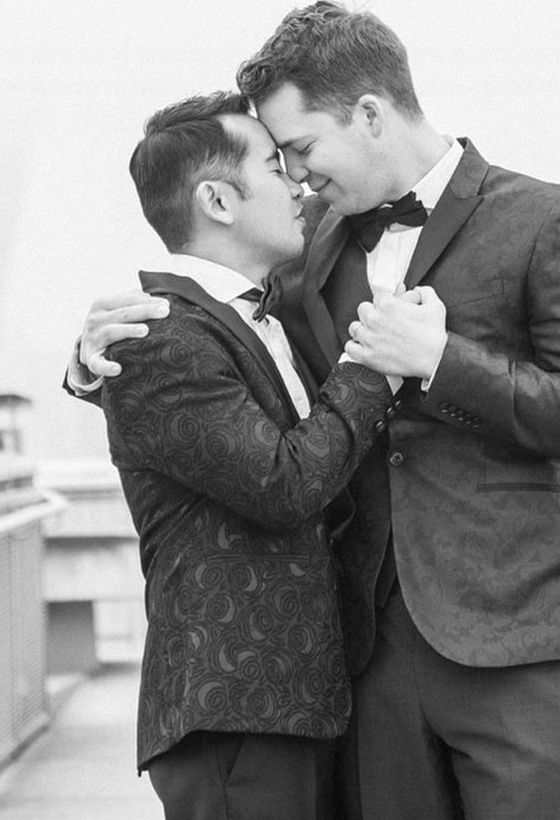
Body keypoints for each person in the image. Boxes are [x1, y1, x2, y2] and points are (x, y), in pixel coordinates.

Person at [76, 2, 560, 820]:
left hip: (519, 638)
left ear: (370, 115)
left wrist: (443, 362)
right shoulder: (306, 241)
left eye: (302, 149)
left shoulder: (544, 220)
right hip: (365, 659)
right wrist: (96, 360)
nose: (297, 177)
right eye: (282, 162)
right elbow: (218, 326)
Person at [101, 89, 397, 820]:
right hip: (235, 708)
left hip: (293, 700)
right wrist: (375, 364)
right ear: (218, 201)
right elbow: (283, 482)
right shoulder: (158, 337)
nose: (297, 184)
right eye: (273, 166)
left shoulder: (254, 316)